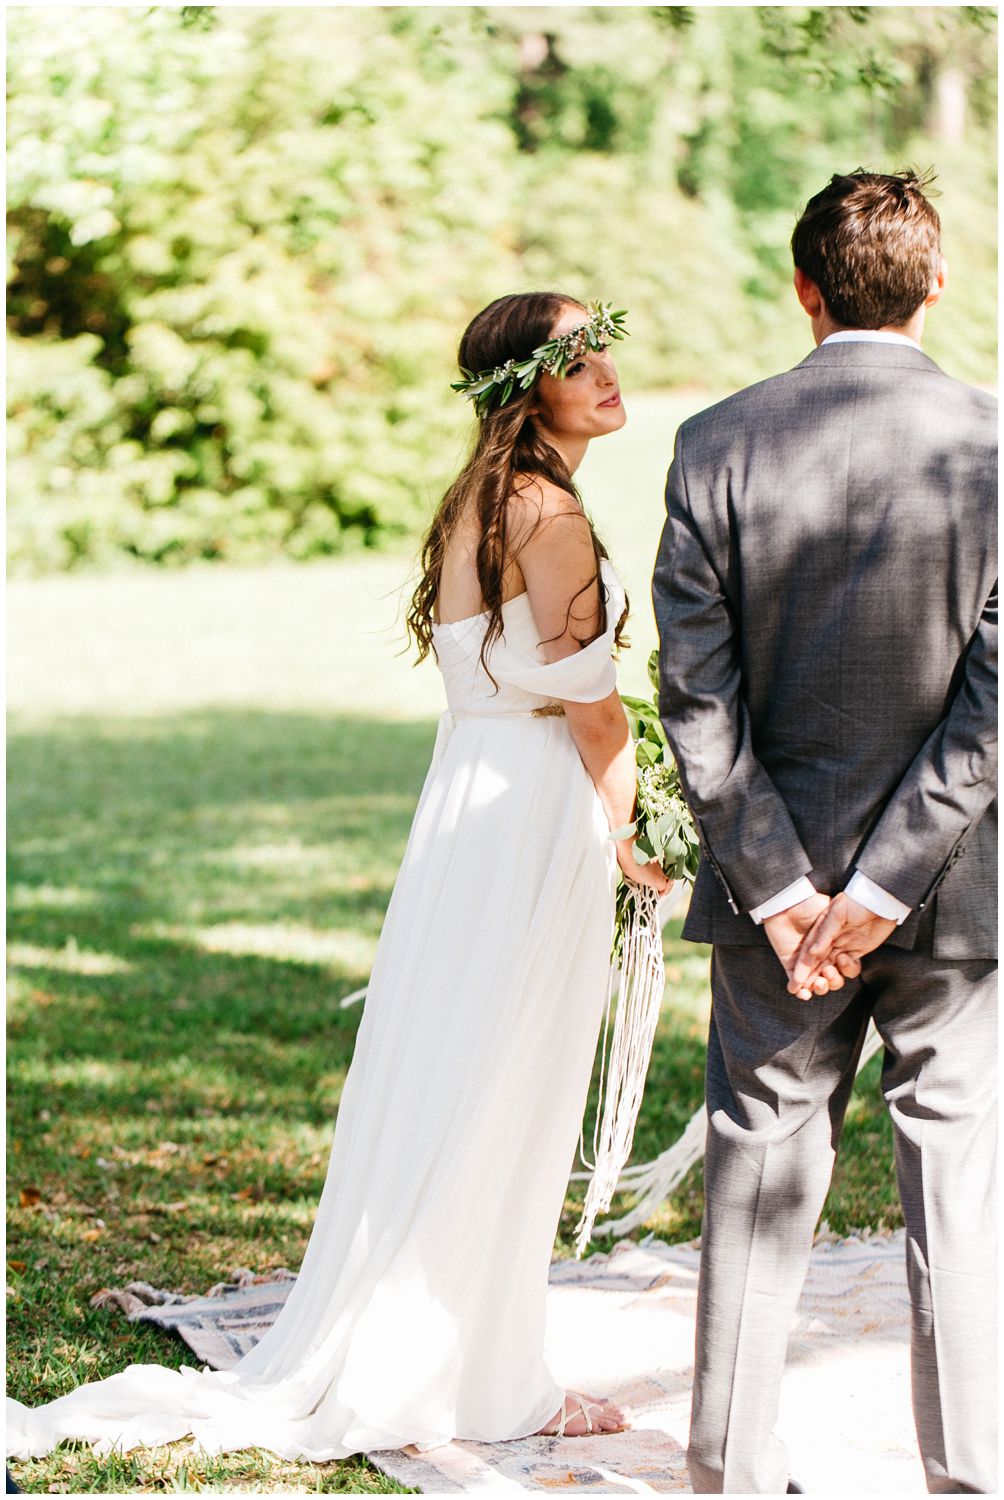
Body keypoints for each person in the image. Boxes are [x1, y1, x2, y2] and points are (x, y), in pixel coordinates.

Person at [7, 292, 670, 1465]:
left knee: (456, 1071)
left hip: (467, 800)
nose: (607, 369)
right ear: (524, 385)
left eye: (604, 343)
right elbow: (593, 710)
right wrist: (626, 837)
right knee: (506, 1085)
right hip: (527, 813)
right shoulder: (549, 513)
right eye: (578, 354)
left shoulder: (478, 496)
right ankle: (487, 1376)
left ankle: (460, 1347)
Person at [653, 168, 997, 1494]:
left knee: (756, 1177)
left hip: (771, 904)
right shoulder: (993, 443)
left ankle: (729, 1475)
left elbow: (699, 691)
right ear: (939, 281)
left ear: (803, 291)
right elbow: (995, 702)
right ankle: (973, 1476)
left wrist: (791, 895)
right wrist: (886, 884)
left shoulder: (715, 443)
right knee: (962, 1189)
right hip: (958, 894)